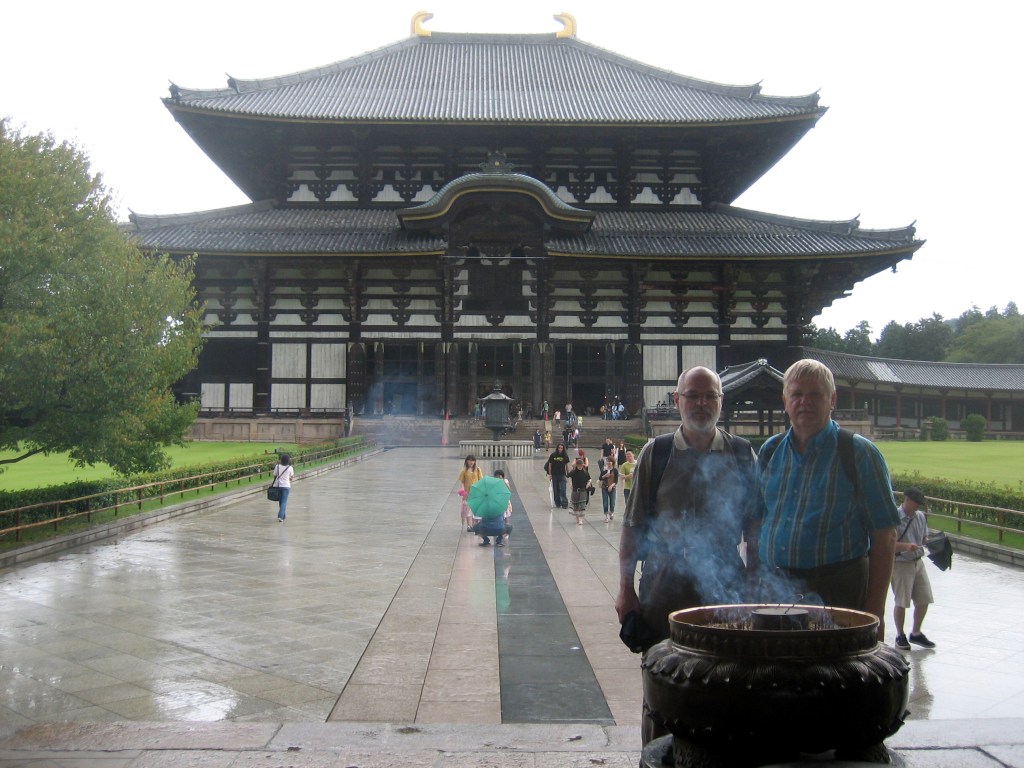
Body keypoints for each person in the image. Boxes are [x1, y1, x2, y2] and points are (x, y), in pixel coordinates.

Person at [615, 366, 757, 745]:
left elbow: (755, 529)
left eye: (710, 395)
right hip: (664, 579)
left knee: (726, 675)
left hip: (724, 578)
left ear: (721, 402)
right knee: (664, 677)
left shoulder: (741, 453)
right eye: (692, 395)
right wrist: (625, 589)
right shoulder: (657, 453)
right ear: (676, 400)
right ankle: (658, 754)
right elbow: (633, 525)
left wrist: (754, 582)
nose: (701, 403)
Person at [749, 359, 898, 638]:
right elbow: (757, 520)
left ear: (832, 399)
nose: (805, 401)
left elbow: (885, 533)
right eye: (797, 394)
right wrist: (754, 582)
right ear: (785, 400)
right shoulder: (771, 450)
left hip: (837, 588)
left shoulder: (858, 453)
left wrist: (875, 610)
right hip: (776, 586)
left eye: (815, 394)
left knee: (832, 674)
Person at [891, 487, 936, 650]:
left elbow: (924, 537)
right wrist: (906, 546)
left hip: (918, 562)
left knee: (924, 598)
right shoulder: (894, 518)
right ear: (907, 500)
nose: (918, 506)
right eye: (916, 503)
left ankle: (916, 633)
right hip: (901, 564)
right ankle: (899, 635)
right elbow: (888, 544)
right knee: (902, 601)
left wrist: (932, 542)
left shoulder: (920, 517)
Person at [473, 469, 512, 547]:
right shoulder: (501, 506)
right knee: (508, 527)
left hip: (485, 529)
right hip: (499, 529)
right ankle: (499, 540)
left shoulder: (484, 506)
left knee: (475, 527)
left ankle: (486, 540)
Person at [457, 455, 484, 532]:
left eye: (472, 460)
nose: (471, 462)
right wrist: (462, 490)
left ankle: (475, 525)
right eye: (469, 460)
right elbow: (462, 482)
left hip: (476, 493)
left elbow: (481, 481)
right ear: (466, 461)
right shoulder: (464, 471)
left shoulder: (478, 470)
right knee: (467, 510)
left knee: (475, 510)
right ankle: (469, 526)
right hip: (467, 494)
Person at [566, 457, 593, 525]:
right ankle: (577, 518)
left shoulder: (585, 472)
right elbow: (568, 477)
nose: (580, 466)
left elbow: (590, 479)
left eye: (581, 465)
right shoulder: (573, 472)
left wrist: (588, 484)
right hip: (575, 490)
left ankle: (581, 519)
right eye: (579, 465)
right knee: (576, 505)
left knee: (582, 505)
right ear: (577, 465)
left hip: (583, 490)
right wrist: (570, 484)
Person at [544, 443, 570, 509]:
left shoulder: (565, 456)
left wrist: (568, 475)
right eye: (559, 448)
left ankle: (564, 503)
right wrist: (550, 475)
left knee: (563, 489)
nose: (560, 449)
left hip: (562, 474)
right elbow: (550, 466)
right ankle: (557, 502)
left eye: (561, 448)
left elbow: (567, 466)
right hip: (554, 475)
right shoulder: (553, 455)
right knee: (556, 490)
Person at [271, 454, 294, 523]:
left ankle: (283, 516)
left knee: (281, 501)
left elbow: (274, 475)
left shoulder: (277, 466)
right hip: (286, 486)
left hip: (278, 486)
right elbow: (291, 477)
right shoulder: (290, 468)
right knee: (284, 501)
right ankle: (280, 516)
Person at [599, 455, 619, 522]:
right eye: (607, 461)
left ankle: (611, 512)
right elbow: (600, 478)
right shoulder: (604, 469)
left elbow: (616, 480)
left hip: (612, 488)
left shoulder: (615, 470)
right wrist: (605, 475)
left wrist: (611, 486)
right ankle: (606, 516)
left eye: (609, 461)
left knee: (612, 502)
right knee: (605, 502)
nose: (608, 462)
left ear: (612, 462)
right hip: (604, 488)